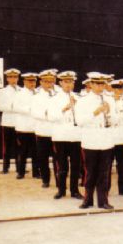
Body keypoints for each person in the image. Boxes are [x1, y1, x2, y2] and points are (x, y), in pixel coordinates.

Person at [75, 72, 115, 210]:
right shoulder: (83, 100)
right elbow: (79, 121)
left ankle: (103, 201)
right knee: (90, 173)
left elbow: (115, 120)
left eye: (102, 84)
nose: (100, 87)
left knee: (104, 173)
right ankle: (88, 199)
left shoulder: (109, 99)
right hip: (91, 140)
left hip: (105, 140)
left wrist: (109, 112)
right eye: (97, 84)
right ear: (91, 84)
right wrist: (95, 112)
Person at [47, 71, 83, 199]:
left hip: (75, 136)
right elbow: (50, 116)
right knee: (61, 165)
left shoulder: (79, 97)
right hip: (61, 136)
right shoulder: (54, 98)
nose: (69, 84)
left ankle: (74, 190)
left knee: (75, 165)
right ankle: (61, 190)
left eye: (71, 82)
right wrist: (65, 108)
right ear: (60, 83)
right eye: (66, 82)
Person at [31, 69, 58, 188]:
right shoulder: (36, 96)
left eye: (51, 81)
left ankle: (59, 181)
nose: (49, 84)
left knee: (57, 158)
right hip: (42, 131)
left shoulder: (59, 94)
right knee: (43, 158)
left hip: (56, 131)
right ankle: (45, 179)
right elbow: (35, 113)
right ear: (41, 82)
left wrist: (51, 114)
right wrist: (49, 115)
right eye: (46, 81)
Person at [12, 72, 38, 179]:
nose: (32, 83)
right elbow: (15, 107)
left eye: (34, 81)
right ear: (24, 82)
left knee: (36, 152)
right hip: (23, 127)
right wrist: (30, 110)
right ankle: (21, 172)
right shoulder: (19, 93)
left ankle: (36, 173)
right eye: (29, 81)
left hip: (35, 127)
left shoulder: (38, 93)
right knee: (23, 151)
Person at [0, 68, 21, 175]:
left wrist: (14, 107)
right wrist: (14, 107)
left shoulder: (22, 90)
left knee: (19, 147)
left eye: (15, 77)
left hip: (19, 122)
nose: (13, 79)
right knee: (6, 147)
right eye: (11, 77)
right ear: (7, 79)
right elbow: (0, 107)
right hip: (7, 122)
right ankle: (5, 167)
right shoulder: (3, 91)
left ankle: (19, 168)